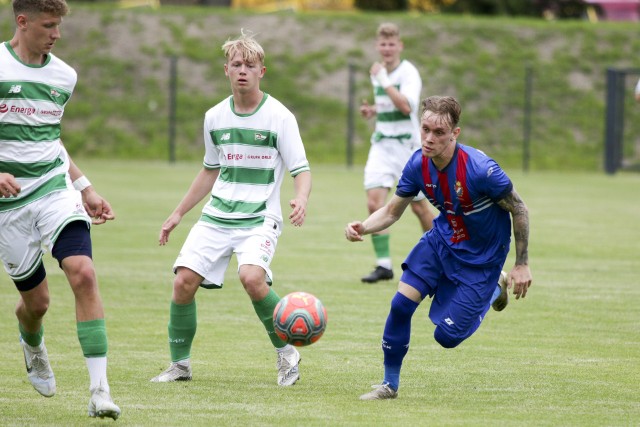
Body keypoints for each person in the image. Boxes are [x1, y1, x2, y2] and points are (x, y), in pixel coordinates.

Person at [150, 30, 312, 387]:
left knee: (252, 278)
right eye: (236, 64)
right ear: (226, 70)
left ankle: (287, 354)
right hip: (217, 216)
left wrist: (301, 197)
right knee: (183, 283)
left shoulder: (280, 117)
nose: (242, 70)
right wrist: (178, 213)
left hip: (259, 218)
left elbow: (301, 169)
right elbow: (210, 170)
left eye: (249, 65)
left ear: (261, 72)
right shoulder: (214, 117)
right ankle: (180, 366)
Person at [345, 96, 533, 400]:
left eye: (439, 132)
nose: (429, 138)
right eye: (425, 129)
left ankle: (494, 288)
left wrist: (521, 263)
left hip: (482, 260)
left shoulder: (481, 170)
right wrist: (363, 226)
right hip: (441, 242)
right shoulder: (418, 163)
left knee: (446, 337)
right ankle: (389, 384)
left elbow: (519, 208)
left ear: (455, 134)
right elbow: (393, 211)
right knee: (400, 305)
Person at [0, 0, 120, 420]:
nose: (56, 34)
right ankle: (32, 343)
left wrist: (84, 187)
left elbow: (48, 137)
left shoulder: (63, 76)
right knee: (37, 304)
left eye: (58, 26)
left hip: (53, 190)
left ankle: (99, 392)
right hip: (7, 208)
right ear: (22, 21)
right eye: (48, 25)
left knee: (83, 273)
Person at [359, 22, 435, 284]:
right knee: (373, 202)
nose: (387, 48)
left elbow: (405, 107)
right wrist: (374, 112)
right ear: (377, 46)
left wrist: (383, 80)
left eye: (392, 44)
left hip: (407, 147)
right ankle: (384, 266)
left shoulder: (408, 73)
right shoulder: (378, 72)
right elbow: (389, 104)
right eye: (383, 44)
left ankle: (439, 258)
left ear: (400, 46)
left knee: (419, 207)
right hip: (382, 144)